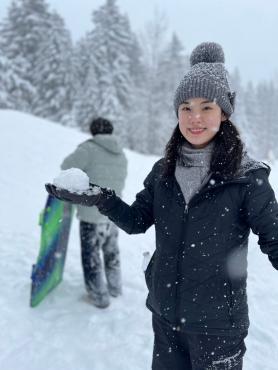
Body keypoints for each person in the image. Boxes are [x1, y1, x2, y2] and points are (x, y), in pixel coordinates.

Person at [46, 42, 278, 369]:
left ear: (224, 113)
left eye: (206, 107)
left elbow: (275, 238)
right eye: (185, 107)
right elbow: (137, 220)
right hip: (166, 319)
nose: (194, 117)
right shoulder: (163, 171)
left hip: (217, 329)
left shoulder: (246, 178)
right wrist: (101, 198)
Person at [60, 117, 127, 308]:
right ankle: (115, 288)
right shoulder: (120, 152)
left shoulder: (88, 149)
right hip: (113, 214)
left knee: (91, 257)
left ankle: (98, 297)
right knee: (112, 253)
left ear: (93, 131)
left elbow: (66, 166)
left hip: (91, 215)